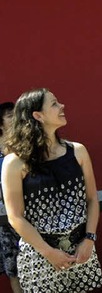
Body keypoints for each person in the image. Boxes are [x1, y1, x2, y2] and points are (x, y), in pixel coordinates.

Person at [1, 89, 102, 292]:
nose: (62, 106)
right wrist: (48, 252)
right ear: (37, 116)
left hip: (81, 251)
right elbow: (15, 217)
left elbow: (92, 199)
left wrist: (89, 239)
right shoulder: (14, 163)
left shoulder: (78, 151)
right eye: (54, 104)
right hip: (39, 256)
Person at [0, 102, 21, 293]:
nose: (13, 119)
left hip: (25, 210)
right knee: (12, 266)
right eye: (8, 116)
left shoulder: (25, 144)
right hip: (3, 217)